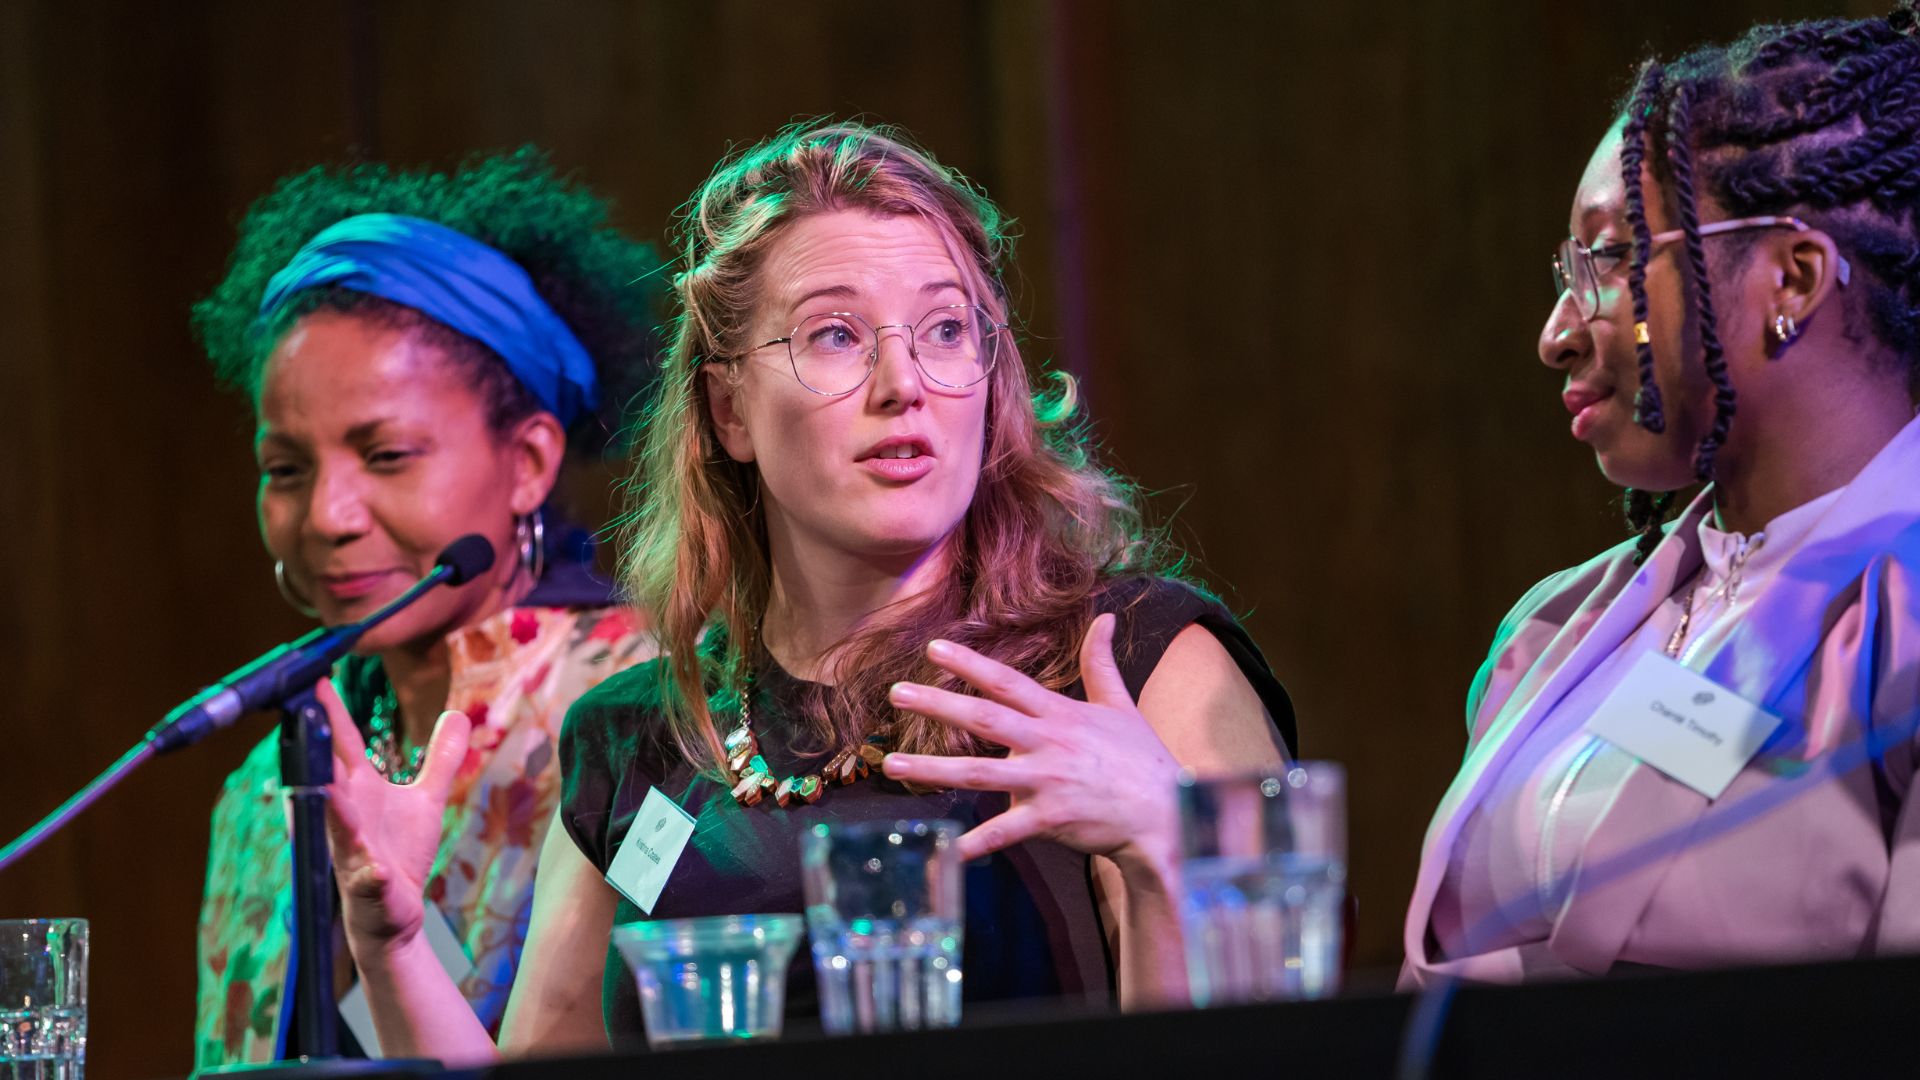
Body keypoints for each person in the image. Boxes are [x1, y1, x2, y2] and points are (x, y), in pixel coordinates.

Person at [317, 120, 1296, 1062]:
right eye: (835, 335)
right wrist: (395, 946)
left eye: (946, 329)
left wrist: (1167, 843)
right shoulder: (643, 735)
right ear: (728, 406)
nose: (901, 383)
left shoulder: (1130, 665)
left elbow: (1278, 1055)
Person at [1402, 8, 1920, 987]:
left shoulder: (1904, 623)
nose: (1556, 331)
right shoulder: (1551, 631)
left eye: (1607, 257)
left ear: (1793, 278)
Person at [192, 149, 662, 1066]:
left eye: (389, 455)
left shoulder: (649, 703)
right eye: (285, 470)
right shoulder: (264, 783)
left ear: (528, 461)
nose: (326, 516)